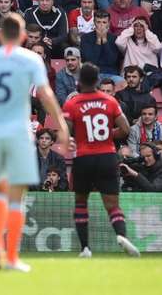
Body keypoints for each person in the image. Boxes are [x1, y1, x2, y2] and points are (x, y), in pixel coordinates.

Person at [0, 13, 69, 272]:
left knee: (0, 191)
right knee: (17, 197)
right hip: (19, 131)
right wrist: (61, 124)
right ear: (22, 36)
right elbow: (46, 94)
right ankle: (11, 256)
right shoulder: (31, 59)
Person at [61, 62, 139, 258]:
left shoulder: (72, 103)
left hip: (84, 158)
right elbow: (126, 129)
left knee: (81, 203)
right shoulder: (110, 101)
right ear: (96, 81)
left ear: (80, 81)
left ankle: (85, 248)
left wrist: (79, 137)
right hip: (107, 156)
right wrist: (106, 135)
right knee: (112, 204)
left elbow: (65, 131)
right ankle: (121, 235)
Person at [80, 10, 122, 81]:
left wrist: (105, 40)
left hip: (111, 74)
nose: (101, 25)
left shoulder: (114, 38)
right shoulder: (85, 38)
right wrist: (99, 40)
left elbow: (112, 61)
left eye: (104, 22)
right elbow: (91, 61)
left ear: (108, 23)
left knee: (121, 82)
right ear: (94, 23)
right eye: (98, 22)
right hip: (92, 74)